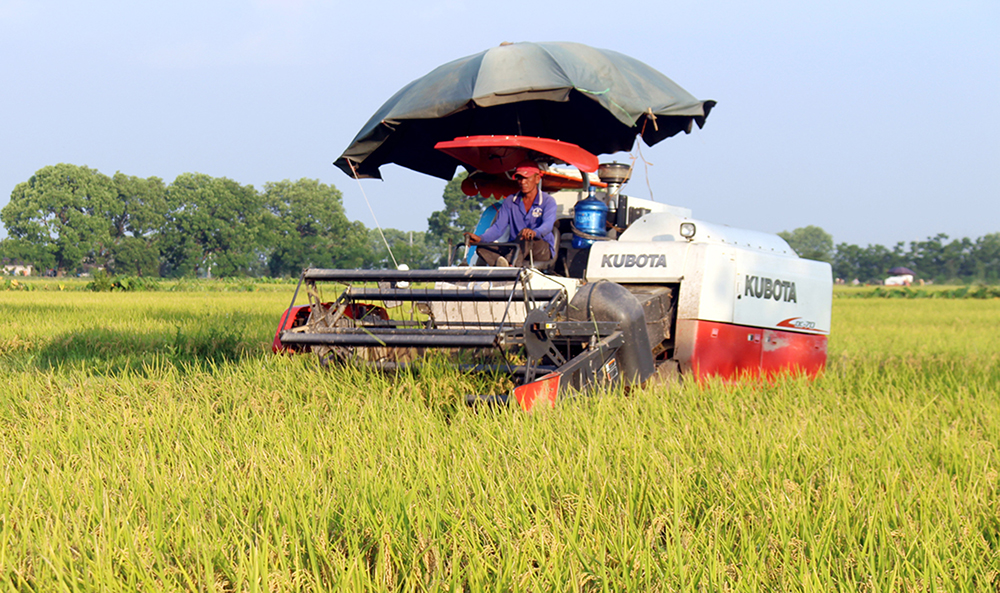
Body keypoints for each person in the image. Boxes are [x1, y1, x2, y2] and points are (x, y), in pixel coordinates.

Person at [464, 160, 557, 267]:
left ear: (537, 179)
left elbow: (548, 226)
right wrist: (481, 238)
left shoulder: (548, 201)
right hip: (515, 247)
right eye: (519, 178)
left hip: (540, 249)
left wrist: (533, 233)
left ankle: (509, 265)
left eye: (526, 178)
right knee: (482, 248)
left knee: (525, 238)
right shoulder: (510, 201)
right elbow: (498, 228)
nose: (522, 182)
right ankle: (504, 264)